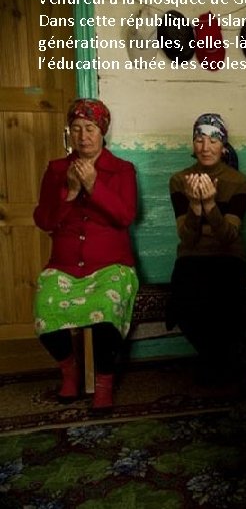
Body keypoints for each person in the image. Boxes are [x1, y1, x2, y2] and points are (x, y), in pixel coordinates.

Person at [33, 98, 139, 411]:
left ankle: (104, 384)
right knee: (44, 309)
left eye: (90, 128)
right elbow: (43, 220)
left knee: (107, 308)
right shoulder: (56, 170)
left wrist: (95, 187)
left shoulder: (122, 170)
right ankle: (70, 371)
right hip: (64, 266)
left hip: (111, 266)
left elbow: (125, 216)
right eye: (76, 129)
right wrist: (70, 194)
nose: (83, 136)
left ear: (102, 131)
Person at [166, 113, 246, 384]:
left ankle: (216, 363)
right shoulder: (179, 180)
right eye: (199, 140)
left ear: (223, 146)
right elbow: (187, 238)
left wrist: (210, 207)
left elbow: (228, 236)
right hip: (191, 258)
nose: (205, 147)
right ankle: (218, 361)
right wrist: (194, 207)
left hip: (228, 257)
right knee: (186, 304)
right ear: (193, 145)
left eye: (213, 140)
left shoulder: (238, 181)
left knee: (226, 305)